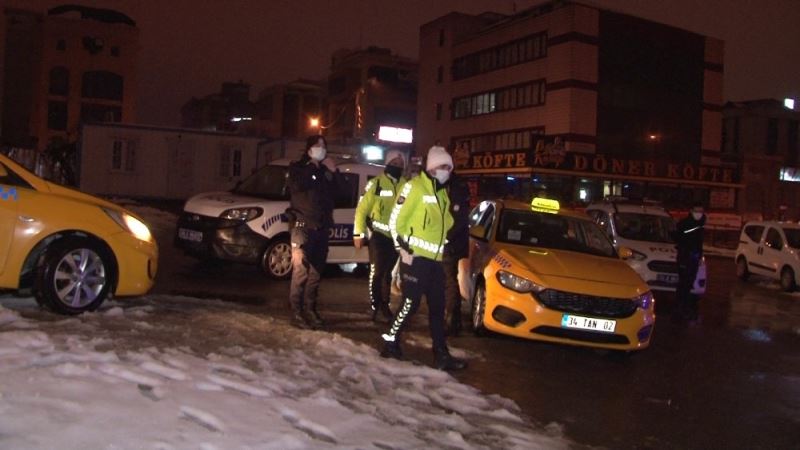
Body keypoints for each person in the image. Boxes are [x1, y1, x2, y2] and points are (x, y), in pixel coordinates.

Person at [379, 145, 467, 371]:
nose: (447, 170)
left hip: (435, 261)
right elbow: (396, 221)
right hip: (416, 260)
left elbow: (447, 223)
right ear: (432, 168)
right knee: (410, 304)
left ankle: (441, 354)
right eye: (443, 166)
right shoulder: (414, 187)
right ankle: (390, 341)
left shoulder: (442, 194)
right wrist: (404, 250)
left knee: (437, 308)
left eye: (449, 167)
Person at [285, 135, 342, 329]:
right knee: (301, 271)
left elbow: (342, 191)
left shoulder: (326, 172)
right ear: (308, 149)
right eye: (317, 145)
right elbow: (297, 186)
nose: (321, 148)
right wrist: (312, 166)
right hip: (302, 227)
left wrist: (334, 172)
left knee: (316, 273)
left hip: (322, 228)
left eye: (324, 146)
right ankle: (296, 312)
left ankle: (310, 309)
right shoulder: (298, 168)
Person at [353, 149, 407, 323]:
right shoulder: (376, 184)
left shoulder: (406, 186)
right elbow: (362, 210)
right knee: (377, 272)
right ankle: (375, 305)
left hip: (395, 237)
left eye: (400, 164)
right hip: (379, 236)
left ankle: (385, 305)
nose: (397, 167)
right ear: (387, 164)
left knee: (388, 274)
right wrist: (358, 233)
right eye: (394, 164)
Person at [443, 168, 470, 336]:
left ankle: (452, 321)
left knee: (448, 281)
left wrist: (445, 238)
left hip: (450, 243)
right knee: (449, 281)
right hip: (453, 242)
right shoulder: (454, 185)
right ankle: (453, 319)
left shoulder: (454, 187)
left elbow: (457, 219)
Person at [673, 201, 706, 324]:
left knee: (689, 283)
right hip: (685, 257)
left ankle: (684, 308)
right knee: (684, 284)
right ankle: (679, 309)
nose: (699, 213)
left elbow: (699, 243)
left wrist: (698, 256)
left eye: (701, 211)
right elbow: (679, 239)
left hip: (694, 257)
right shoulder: (685, 224)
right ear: (691, 211)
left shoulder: (701, 224)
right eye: (697, 210)